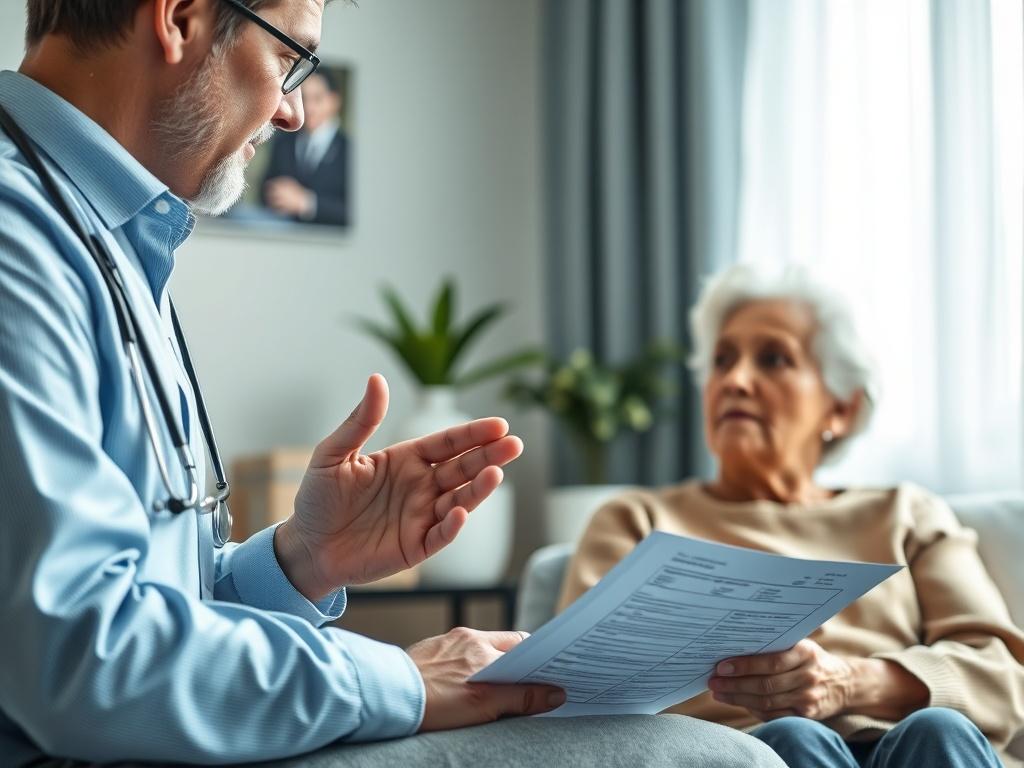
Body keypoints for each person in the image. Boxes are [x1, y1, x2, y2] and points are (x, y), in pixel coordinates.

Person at [0, 2, 787, 766]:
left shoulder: (102, 237)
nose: (292, 113)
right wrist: (403, 677)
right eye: (289, 56)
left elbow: (144, 610)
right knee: (713, 759)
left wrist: (302, 559)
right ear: (176, 18)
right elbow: (78, 657)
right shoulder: (17, 245)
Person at [558, 263, 1024, 768]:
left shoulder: (907, 514)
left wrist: (845, 683)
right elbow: (575, 692)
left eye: (773, 359)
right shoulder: (638, 519)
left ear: (839, 410)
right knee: (792, 740)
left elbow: (1002, 680)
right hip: (752, 755)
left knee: (939, 730)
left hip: (913, 749)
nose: (735, 380)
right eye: (721, 360)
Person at [260, 68, 349, 226]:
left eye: (317, 99)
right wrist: (275, 195)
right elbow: (264, 189)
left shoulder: (349, 150)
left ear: (334, 101)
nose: (308, 108)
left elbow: (356, 211)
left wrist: (307, 203)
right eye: (304, 99)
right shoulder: (283, 141)